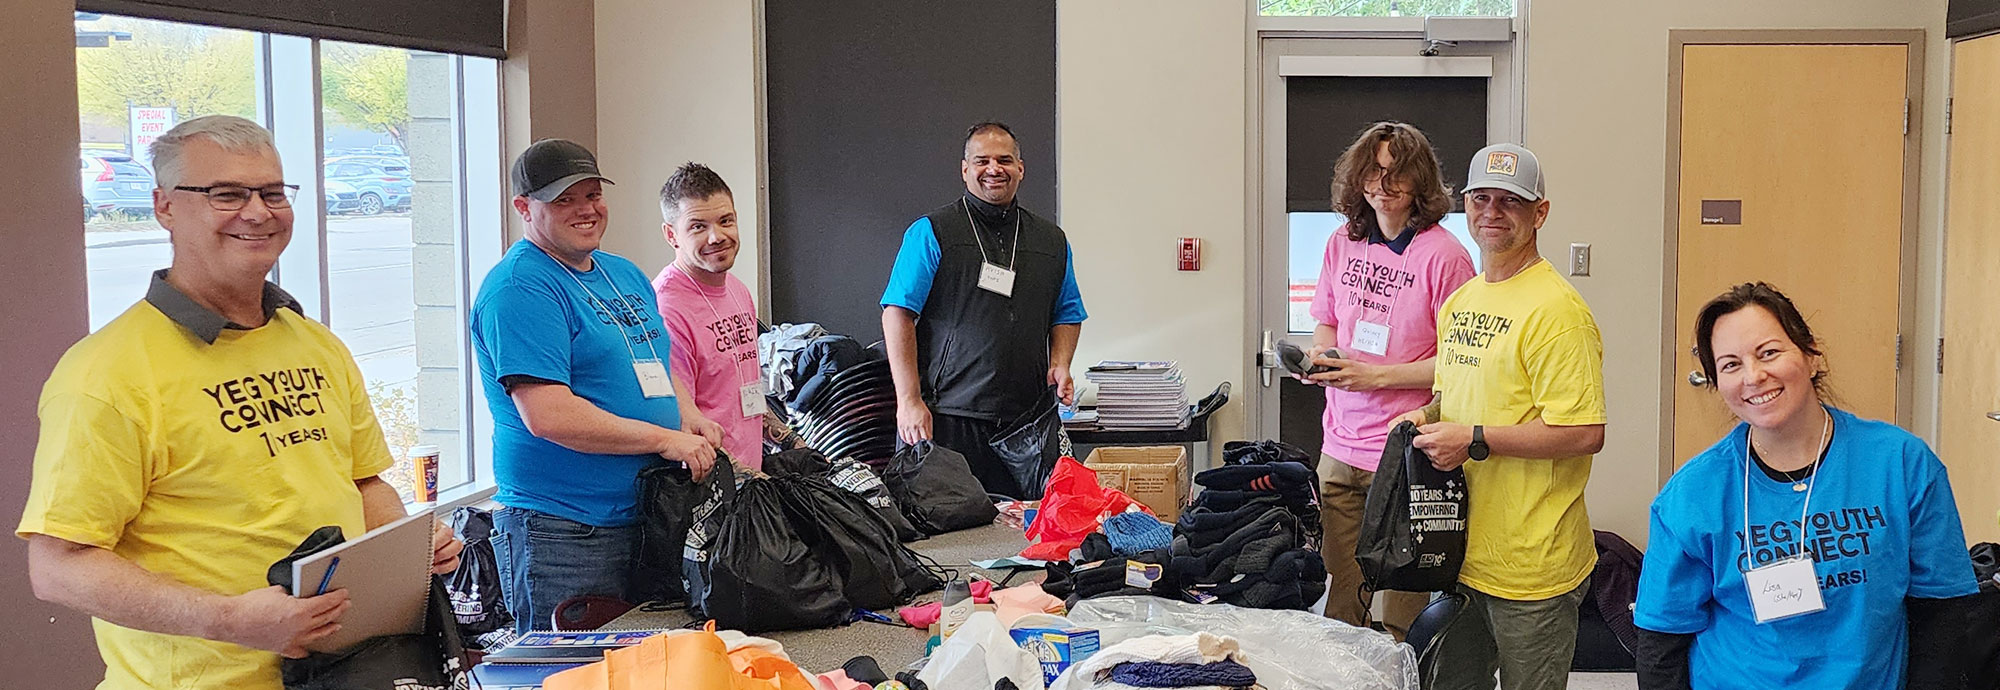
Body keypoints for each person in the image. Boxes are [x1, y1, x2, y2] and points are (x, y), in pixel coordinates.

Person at [17, 115, 462, 690]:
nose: (257, 211)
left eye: (272, 192)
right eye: (226, 193)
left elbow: (363, 484)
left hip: (346, 672)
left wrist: (406, 551)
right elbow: (58, 567)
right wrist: (228, 619)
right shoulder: (106, 375)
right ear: (165, 207)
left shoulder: (316, 344)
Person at [1633, 282, 1978, 689]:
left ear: (1811, 356)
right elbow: (1661, 643)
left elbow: (1945, 613)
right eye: (1730, 365)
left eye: (1769, 353)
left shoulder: (1901, 464)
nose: (1754, 376)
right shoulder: (1692, 495)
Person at [470, 139, 721, 633]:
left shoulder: (621, 272)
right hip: (565, 531)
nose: (585, 210)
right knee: (568, 677)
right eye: (564, 200)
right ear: (524, 207)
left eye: (592, 194)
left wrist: (686, 413)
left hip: (647, 520)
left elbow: (654, 356)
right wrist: (665, 438)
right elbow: (549, 415)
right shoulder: (521, 288)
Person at [1391, 143, 1607, 690]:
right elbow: (1456, 394)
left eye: (1510, 201)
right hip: (1461, 551)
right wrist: (1428, 414)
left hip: (1533, 565)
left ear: (1540, 213)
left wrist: (1475, 439)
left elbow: (1583, 431)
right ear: (1465, 205)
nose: (1492, 211)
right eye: (1481, 198)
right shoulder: (1461, 301)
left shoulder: (1557, 311)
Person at [1302, 122, 1475, 634]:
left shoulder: (1445, 256)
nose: (1382, 184)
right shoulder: (1342, 241)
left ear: (1420, 181)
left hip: (1407, 452)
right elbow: (1327, 317)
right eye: (1373, 172)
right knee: (1343, 592)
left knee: (1406, 603)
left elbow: (1461, 364)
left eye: (1396, 172)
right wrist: (1322, 356)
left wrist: (1375, 377)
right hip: (1340, 445)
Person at [881, 122, 1087, 498]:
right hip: (948, 417)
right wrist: (909, 401)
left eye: (1005, 160)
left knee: (1029, 535)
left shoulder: (1051, 240)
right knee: (948, 540)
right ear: (965, 169)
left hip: (1028, 422)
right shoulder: (931, 232)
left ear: (1020, 169)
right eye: (982, 161)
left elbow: (1067, 312)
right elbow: (897, 313)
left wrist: (1061, 363)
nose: (994, 169)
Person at [654, 162, 765, 470]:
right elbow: (678, 420)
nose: (717, 237)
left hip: (749, 481)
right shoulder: (667, 308)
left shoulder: (737, 289)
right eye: (698, 227)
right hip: (710, 486)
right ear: (671, 235)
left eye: (726, 221)